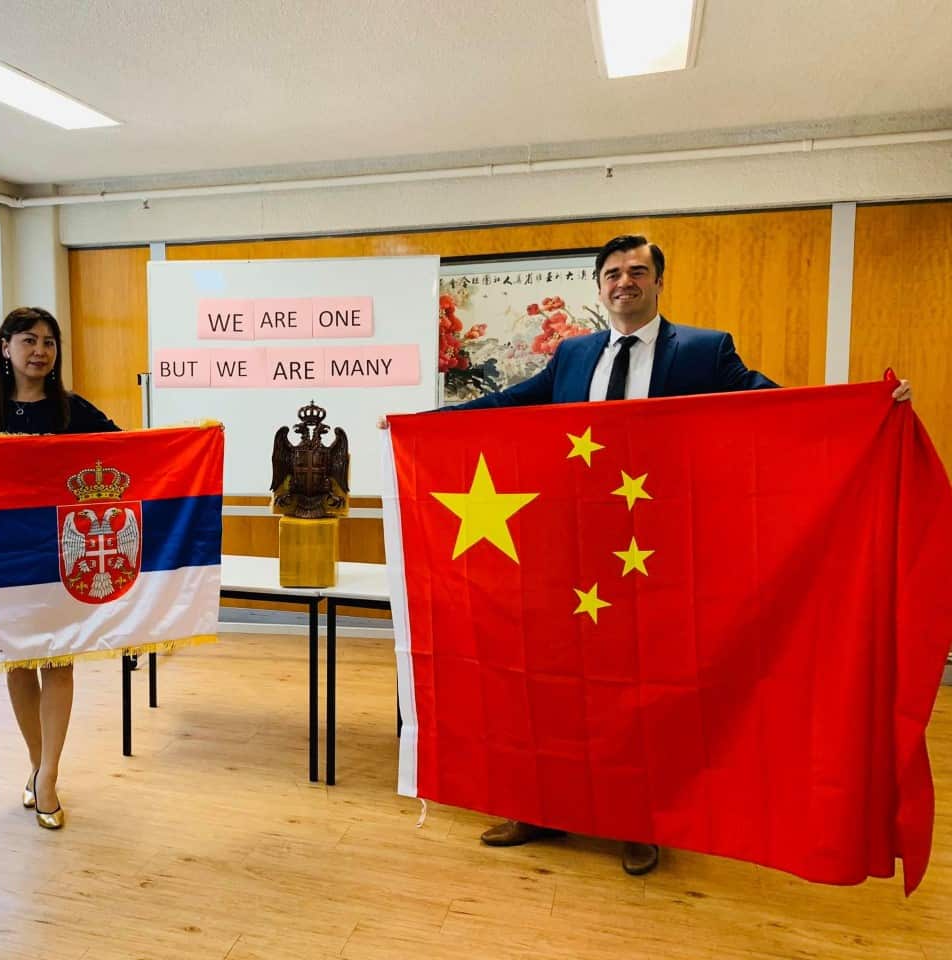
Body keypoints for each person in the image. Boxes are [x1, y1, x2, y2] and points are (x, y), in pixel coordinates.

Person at [383, 234, 912, 875]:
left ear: (659, 281)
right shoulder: (574, 353)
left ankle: (637, 821)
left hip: (658, 555)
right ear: (598, 285)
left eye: (637, 271)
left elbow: (771, 403)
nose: (623, 281)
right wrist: (420, 423)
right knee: (552, 686)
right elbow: (508, 405)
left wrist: (862, 408)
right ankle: (543, 807)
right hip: (571, 551)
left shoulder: (703, 350)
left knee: (645, 691)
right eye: (612, 272)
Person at [0, 306, 120, 830]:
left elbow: (130, 450)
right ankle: (37, 764)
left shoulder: (73, 410)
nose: (40, 350)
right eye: (28, 340)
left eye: (49, 342)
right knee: (19, 663)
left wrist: (197, 440)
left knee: (59, 663)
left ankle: (47, 778)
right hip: (4, 560)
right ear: (5, 348)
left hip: (61, 558)